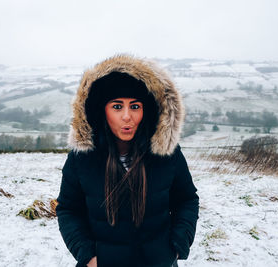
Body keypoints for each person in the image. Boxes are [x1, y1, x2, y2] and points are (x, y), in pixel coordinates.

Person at [56, 55, 199, 267]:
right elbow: (68, 209)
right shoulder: (82, 159)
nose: (126, 117)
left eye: (134, 106)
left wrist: (178, 245)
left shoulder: (167, 154)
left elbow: (186, 200)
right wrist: (87, 255)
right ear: (102, 110)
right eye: (116, 106)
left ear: (146, 110)